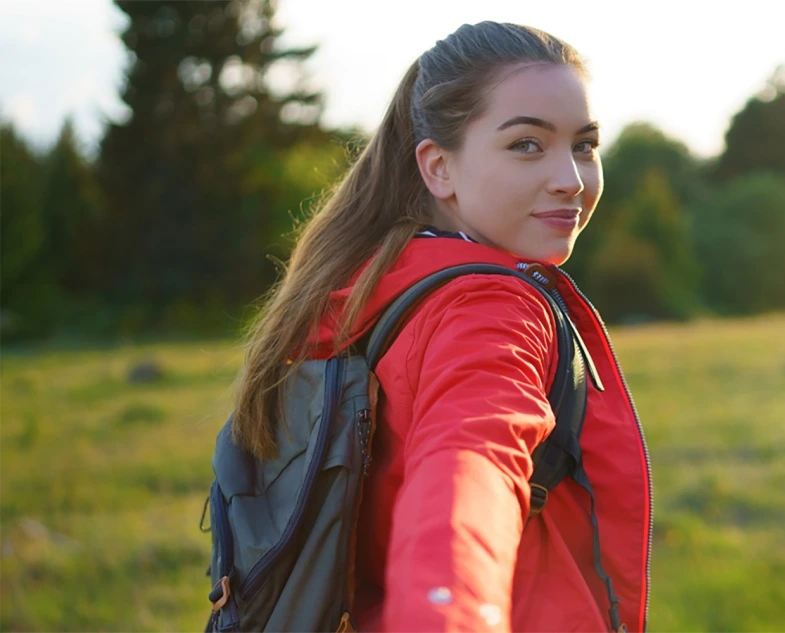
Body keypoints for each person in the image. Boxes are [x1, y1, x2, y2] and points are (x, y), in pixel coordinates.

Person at [230, 21, 652, 632]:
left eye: (584, 144)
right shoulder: (488, 308)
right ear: (438, 168)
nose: (571, 178)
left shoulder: (371, 290)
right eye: (527, 145)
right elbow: (468, 475)